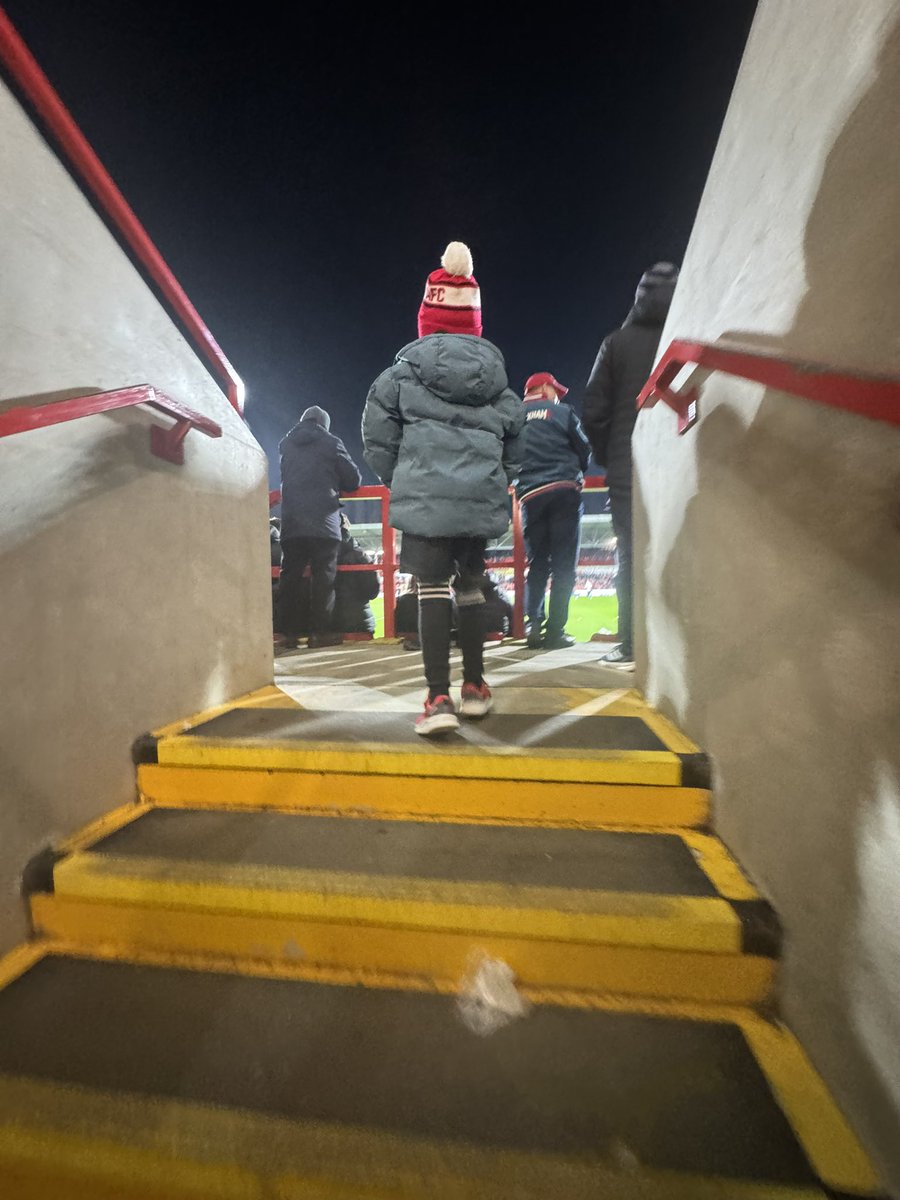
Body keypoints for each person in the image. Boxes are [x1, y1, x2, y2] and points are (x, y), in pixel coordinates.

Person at [362, 241, 525, 735]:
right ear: (475, 323)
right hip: (476, 501)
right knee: (472, 587)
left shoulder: (398, 377)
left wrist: (406, 480)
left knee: (430, 588)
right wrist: (492, 481)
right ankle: (475, 688)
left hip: (425, 502)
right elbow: (515, 443)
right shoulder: (498, 383)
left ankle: (437, 700)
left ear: (425, 319)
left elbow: (376, 436)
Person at [581, 262, 679, 669]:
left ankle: (631, 645)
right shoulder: (687, 335)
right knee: (681, 547)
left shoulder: (616, 343)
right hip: (681, 461)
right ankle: (679, 647)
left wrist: (610, 456)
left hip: (629, 466)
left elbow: (593, 413)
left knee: (632, 557)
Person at [274, 405, 362, 650]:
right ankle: (319, 634)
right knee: (324, 579)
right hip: (324, 522)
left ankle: (287, 635)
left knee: (289, 578)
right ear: (324, 423)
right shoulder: (332, 442)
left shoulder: (286, 443)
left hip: (292, 522)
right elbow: (353, 480)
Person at [515, 371, 591, 650]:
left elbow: (506, 457)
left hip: (531, 496)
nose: (558, 394)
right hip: (563, 491)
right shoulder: (562, 413)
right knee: (563, 567)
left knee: (537, 565)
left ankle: (533, 625)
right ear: (545, 388)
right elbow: (584, 450)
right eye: (556, 389)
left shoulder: (513, 418)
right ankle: (555, 632)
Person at [333, 512, 380, 635]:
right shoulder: (360, 555)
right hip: (358, 620)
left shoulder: (315, 557)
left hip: (326, 622)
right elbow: (372, 591)